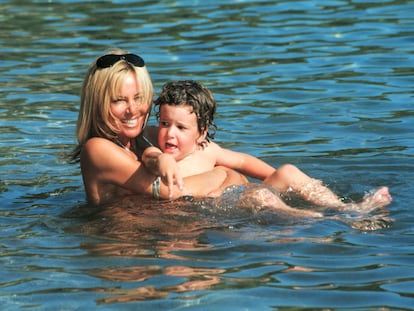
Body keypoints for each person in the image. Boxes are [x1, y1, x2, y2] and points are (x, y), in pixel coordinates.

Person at [142, 80, 392, 216]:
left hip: (244, 193)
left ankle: (345, 208)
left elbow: (242, 162)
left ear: (202, 132)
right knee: (262, 196)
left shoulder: (207, 149)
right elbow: (144, 147)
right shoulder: (157, 150)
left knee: (289, 171)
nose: (170, 134)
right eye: (164, 123)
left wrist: (276, 180)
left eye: (181, 128)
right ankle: (313, 219)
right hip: (223, 206)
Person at [70, 50, 248, 206]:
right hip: (118, 242)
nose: (132, 109)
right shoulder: (97, 149)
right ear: (97, 104)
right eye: (119, 100)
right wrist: (225, 174)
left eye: (139, 97)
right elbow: (170, 192)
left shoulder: (142, 139)